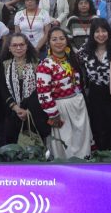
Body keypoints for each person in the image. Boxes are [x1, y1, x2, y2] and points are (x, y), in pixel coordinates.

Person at [36, 28, 93, 158]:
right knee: (66, 143)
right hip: (60, 108)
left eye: (62, 38)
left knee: (82, 140)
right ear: (48, 43)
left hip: (78, 104)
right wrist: (53, 113)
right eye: (54, 39)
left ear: (67, 40)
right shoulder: (45, 65)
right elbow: (43, 94)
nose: (59, 42)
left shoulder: (73, 59)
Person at [1, 34, 49, 147]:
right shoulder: (4, 65)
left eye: (21, 45)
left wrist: (28, 110)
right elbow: (2, 89)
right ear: (9, 48)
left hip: (35, 113)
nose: (18, 48)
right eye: (15, 45)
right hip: (12, 112)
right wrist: (16, 108)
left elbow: (42, 89)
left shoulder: (38, 63)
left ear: (27, 46)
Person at [78, 19, 111, 150]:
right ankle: (100, 157)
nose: (101, 34)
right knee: (98, 127)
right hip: (95, 93)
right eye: (97, 31)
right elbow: (73, 60)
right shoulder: (85, 49)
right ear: (92, 34)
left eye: (104, 30)